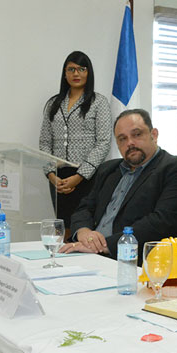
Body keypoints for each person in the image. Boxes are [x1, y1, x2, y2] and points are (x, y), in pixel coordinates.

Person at [62, 109, 177, 259]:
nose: (130, 143)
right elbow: (85, 208)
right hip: (89, 252)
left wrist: (105, 246)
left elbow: (163, 223)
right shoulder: (108, 169)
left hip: (133, 261)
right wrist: (83, 232)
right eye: (122, 139)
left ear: (154, 134)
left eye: (137, 134)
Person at [38, 51, 112, 232]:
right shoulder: (53, 104)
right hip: (58, 178)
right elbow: (44, 143)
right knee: (62, 229)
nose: (76, 74)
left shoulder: (98, 102)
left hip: (87, 177)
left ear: (89, 73)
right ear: (65, 73)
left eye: (81, 69)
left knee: (82, 228)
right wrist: (51, 175)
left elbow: (103, 142)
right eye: (71, 69)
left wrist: (79, 177)